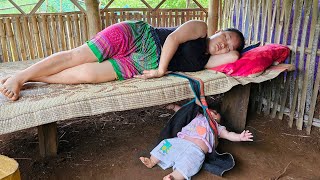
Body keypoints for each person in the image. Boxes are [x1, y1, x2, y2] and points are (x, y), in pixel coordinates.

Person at [0, 20, 245, 101]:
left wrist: (233, 49)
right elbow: (171, 39)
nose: (224, 43)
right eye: (225, 35)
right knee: (75, 56)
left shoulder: (206, 61)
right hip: (138, 37)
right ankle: (21, 76)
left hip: (139, 64)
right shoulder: (201, 28)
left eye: (228, 44)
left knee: (85, 75)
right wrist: (161, 70)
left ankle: (26, 78)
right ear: (218, 30)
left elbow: (234, 56)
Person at [139, 104, 253, 180]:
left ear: (218, 120)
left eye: (216, 113)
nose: (214, 112)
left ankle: (174, 177)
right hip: (179, 142)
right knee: (166, 144)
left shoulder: (217, 128)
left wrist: (239, 137)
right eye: (212, 110)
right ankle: (152, 160)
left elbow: (229, 135)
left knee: (190, 165)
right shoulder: (197, 117)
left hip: (196, 151)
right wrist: (173, 106)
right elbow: (182, 113)